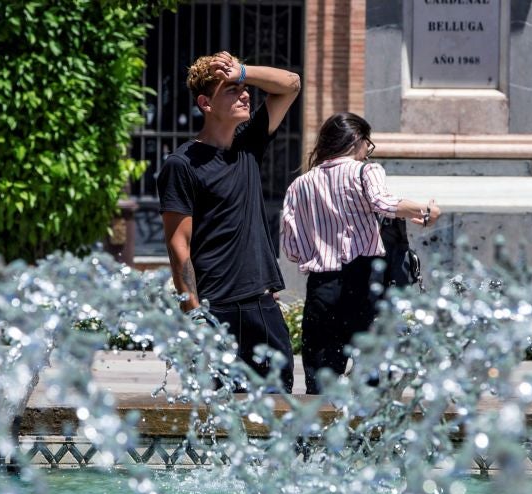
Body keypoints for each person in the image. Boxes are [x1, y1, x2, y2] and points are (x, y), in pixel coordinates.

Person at [158, 51, 300, 392]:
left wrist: (243, 71)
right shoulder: (182, 164)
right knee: (219, 426)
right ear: (206, 103)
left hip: (263, 306)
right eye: (232, 89)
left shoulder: (248, 145)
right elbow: (179, 248)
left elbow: (290, 85)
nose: (245, 93)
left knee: (279, 416)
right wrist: (195, 319)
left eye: (244, 87)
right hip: (215, 311)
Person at [280, 112, 441, 394]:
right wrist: (425, 211)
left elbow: (292, 250)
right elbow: (383, 203)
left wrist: (323, 242)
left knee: (320, 387)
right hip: (365, 285)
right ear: (356, 139)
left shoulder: (298, 186)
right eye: (368, 143)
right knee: (374, 385)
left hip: (321, 290)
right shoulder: (365, 171)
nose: (368, 150)